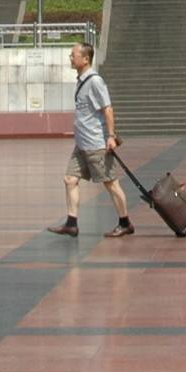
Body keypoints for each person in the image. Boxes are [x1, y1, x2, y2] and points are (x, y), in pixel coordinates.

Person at [50, 40, 133, 238]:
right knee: (70, 179)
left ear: (85, 59)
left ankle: (125, 222)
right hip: (81, 144)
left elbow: (108, 109)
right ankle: (72, 224)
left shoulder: (95, 81)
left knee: (111, 183)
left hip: (97, 144)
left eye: (73, 55)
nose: (71, 58)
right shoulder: (81, 80)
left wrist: (111, 137)